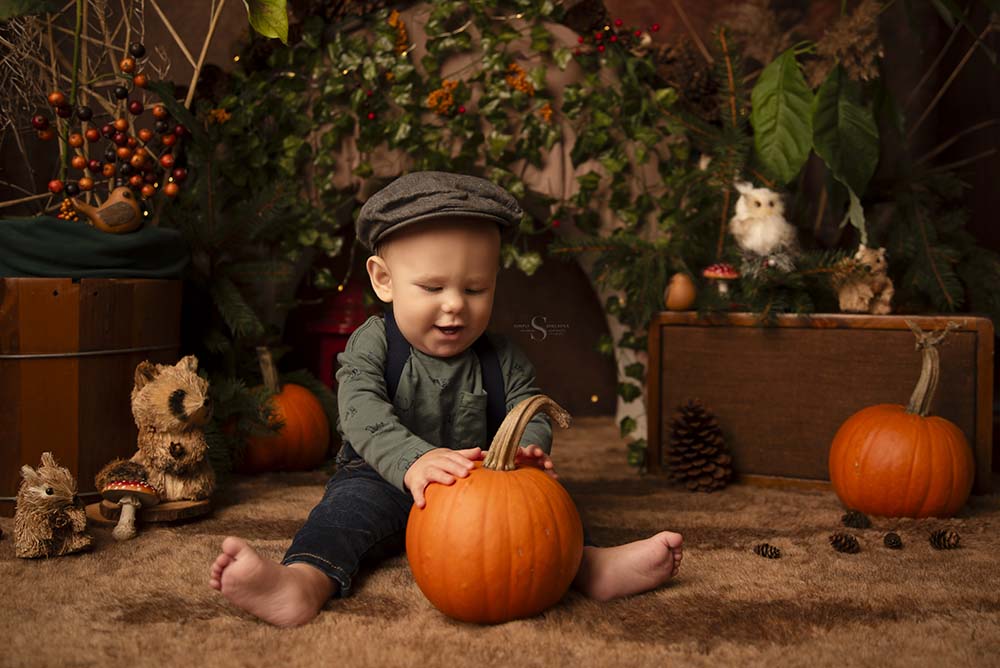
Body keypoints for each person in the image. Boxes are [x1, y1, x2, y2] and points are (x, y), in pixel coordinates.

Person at [209, 172, 683, 627]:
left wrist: (528, 447)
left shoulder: (502, 357)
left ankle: (590, 567)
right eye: (432, 287)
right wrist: (414, 460)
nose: (455, 303)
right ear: (384, 279)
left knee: (544, 520)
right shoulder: (373, 343)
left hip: (475, 491)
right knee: (341, 518)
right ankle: (302, 582)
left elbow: (527, 405)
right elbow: (359, 412)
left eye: (475, 288)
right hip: (381, 478)